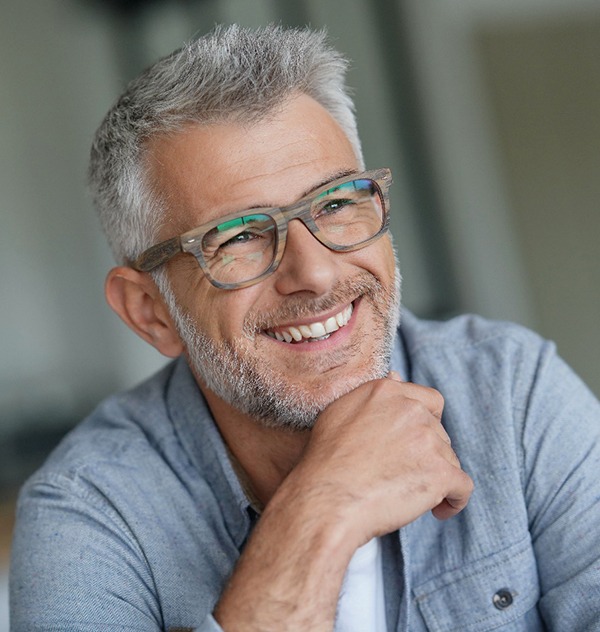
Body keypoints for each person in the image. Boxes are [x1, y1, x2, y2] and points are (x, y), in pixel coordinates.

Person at [9, 24, 600, 632]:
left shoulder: (509, 390)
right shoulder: (89, 510)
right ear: (149, 312)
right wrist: (319, 510)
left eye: (338, 203)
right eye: (238, 236)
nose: (314, 272)